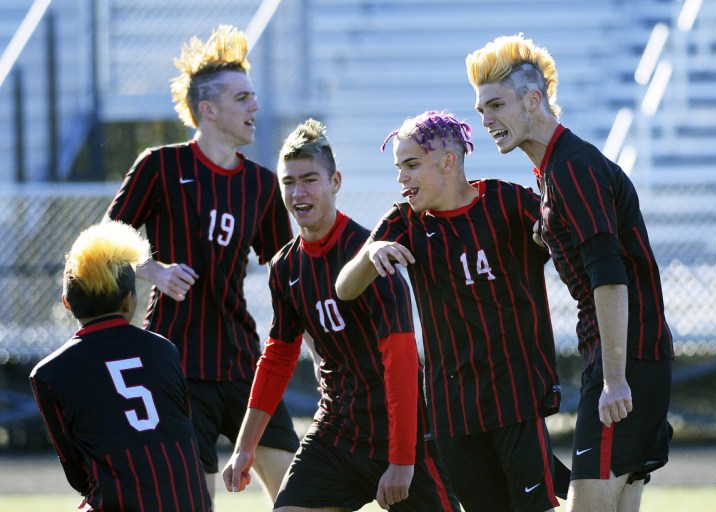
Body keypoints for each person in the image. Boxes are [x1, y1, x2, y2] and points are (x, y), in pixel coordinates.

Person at [466, 34, 675, 512]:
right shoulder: (555, 172)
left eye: (496, 105)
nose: (486, 121)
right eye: (481, 110)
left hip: (625, 359)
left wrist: (615, 377)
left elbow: (611, 278)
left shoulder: (571, 170)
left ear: (533, 100)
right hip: (639, 353)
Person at [221, 119, 460, 511]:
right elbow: (278, 358)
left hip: (404, 435)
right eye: (288, 182)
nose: (298, 192)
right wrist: (246, 448)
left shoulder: (371, 257)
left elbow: (401, 362)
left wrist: (401, 462)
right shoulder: (285, 268)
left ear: (335, 182)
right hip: (338, 432)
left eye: (310, 179)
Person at [105, 25, 298, 501]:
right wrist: (153, 269)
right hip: (175, 366)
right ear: (208, 110)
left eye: (254, 97)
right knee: (193, 501)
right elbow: (104, 239)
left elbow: (288, 272)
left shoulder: (262, 183)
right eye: (243, 98)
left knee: (301, 496)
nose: (255, 107)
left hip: (242, 362)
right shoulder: (160, 166)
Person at [335, 110, 563, 512]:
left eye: (410, 165)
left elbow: (563, 238)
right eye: (397, 168)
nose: (401, 178)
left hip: (516, 397)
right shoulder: (405, 221)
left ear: (447, 161)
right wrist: (371, 253)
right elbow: (344, 288)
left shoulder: (507, 201)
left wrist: (551, 233)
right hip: (451, 410)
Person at [29, 221, 211, 511]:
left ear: (67, 303)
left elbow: (76, 472)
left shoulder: (49, 374)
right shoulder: (165, 350)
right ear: (129, 301)